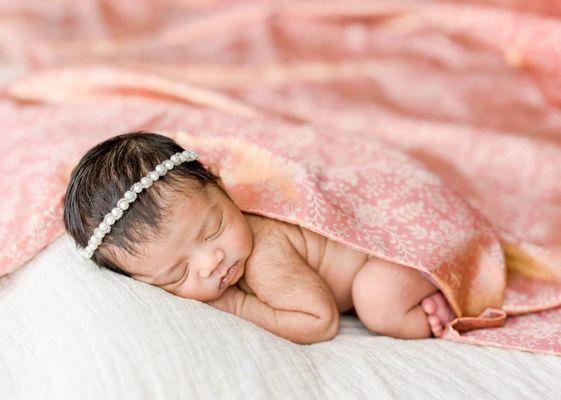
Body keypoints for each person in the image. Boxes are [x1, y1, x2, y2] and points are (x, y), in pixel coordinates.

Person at [63, 131, 454, 344]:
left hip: (388, 245)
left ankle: (433, 294)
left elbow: (318, 321)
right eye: (177, 275)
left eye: (213, 228)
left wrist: (236, 307)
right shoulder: (217, 247)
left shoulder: (264, 254)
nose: (210, 262)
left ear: (221, 186)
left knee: (378, 299)